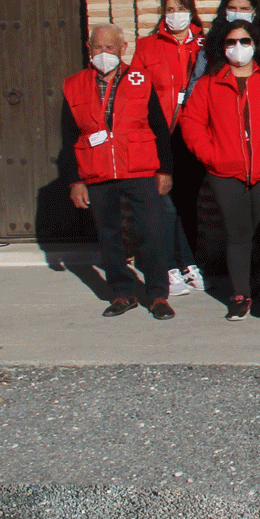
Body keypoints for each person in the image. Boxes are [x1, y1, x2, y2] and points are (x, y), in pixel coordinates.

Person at [180, 10, 260, 320]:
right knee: (237, 234)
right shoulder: (210, 84)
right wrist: (213, 156)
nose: (238, 47)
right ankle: (240, 293)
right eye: (231, 42)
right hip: (227, 173)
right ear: (223, 47)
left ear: (255, 44)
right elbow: (192, 124)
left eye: (245, 40)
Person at [63, 24, 177, 320]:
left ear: (122, 48)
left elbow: (160, 128)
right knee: (109, 234)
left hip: (139, 167)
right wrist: (75, 180)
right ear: (89, 49)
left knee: (152, 231)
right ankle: (122, 292)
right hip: (97, 170)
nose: (103, 54)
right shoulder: (73, 85)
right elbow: (68, 136)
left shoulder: (142, 79)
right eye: (97, 48)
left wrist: (165, 169)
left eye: (109, 48)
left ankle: (157, 295)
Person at [127, 0, 207, 297]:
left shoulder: (204, 45)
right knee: (165, 203)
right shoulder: (147, 46)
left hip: (194, 133)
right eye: (170, 9)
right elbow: (135, 91)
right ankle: (171, 264)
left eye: (181, 8)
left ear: (192, 11)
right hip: (161, 135)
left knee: (188, 204)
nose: (175, 15)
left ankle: (189, 264)